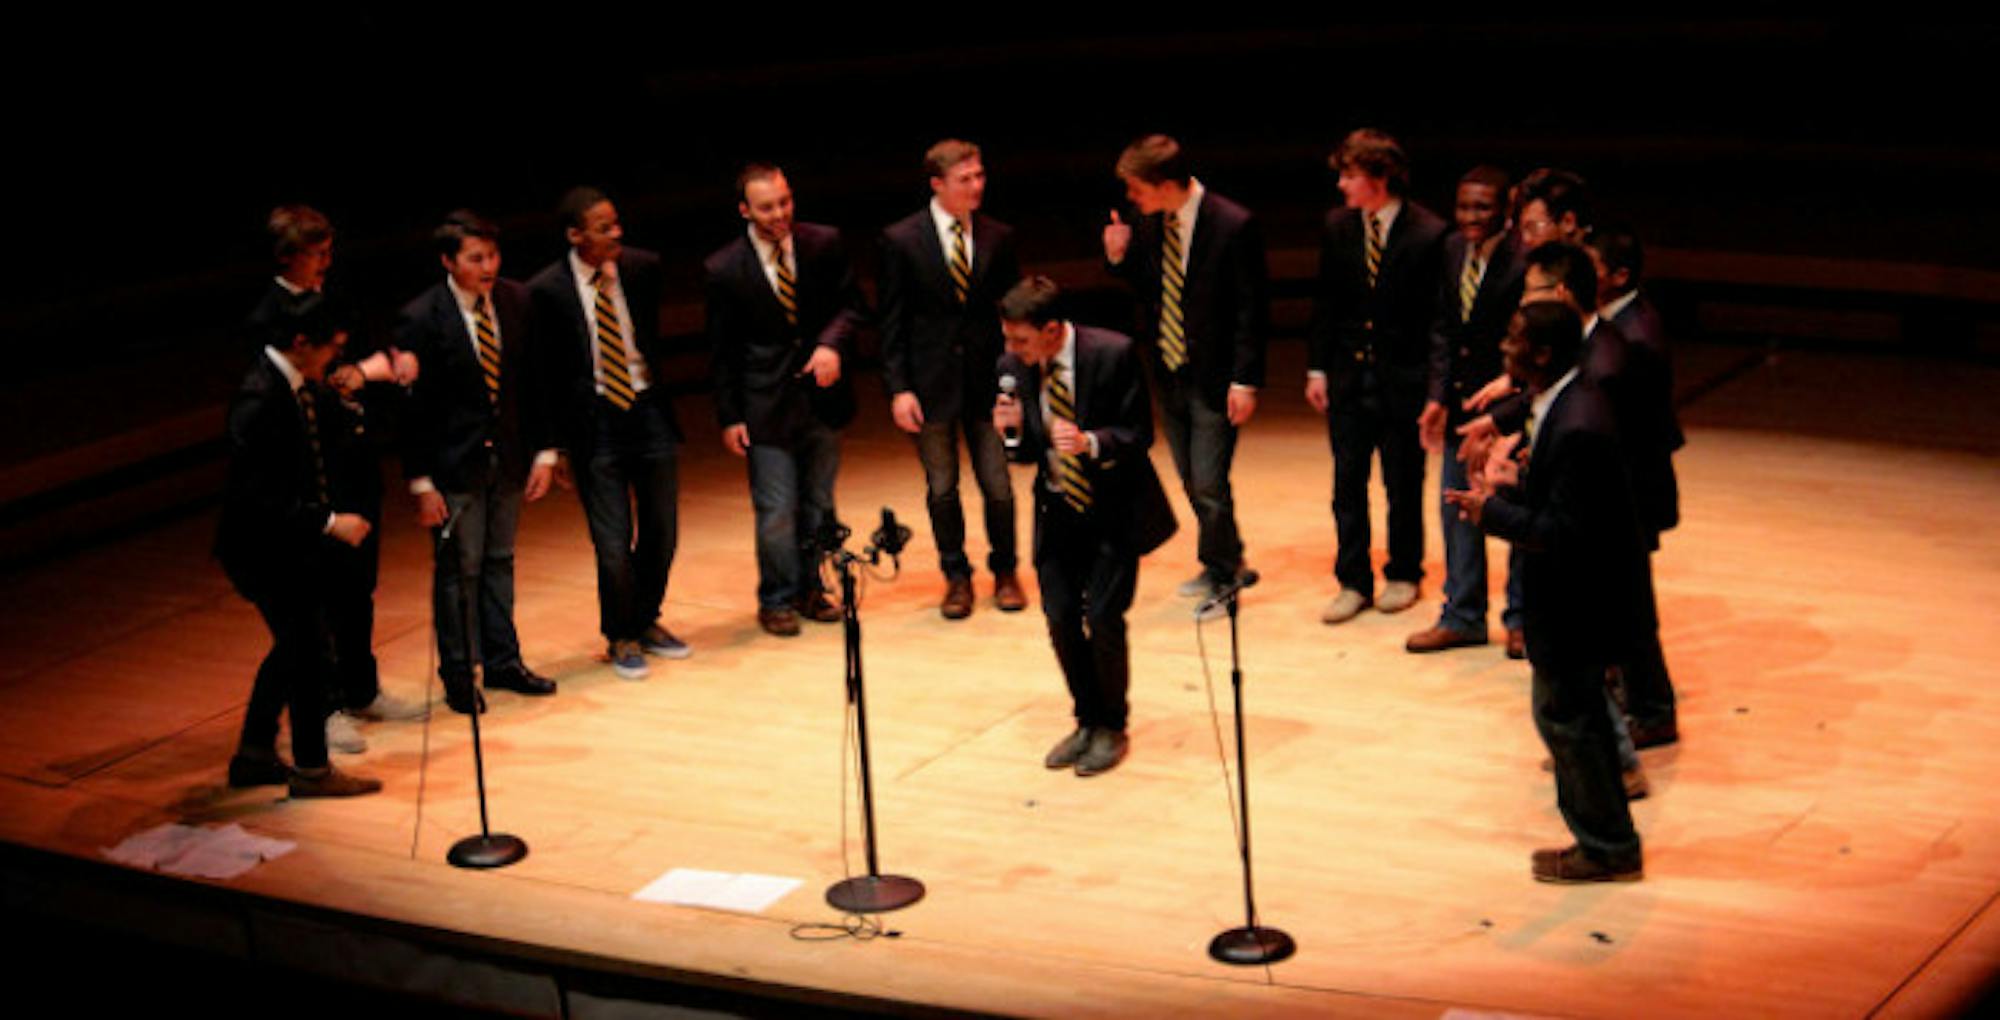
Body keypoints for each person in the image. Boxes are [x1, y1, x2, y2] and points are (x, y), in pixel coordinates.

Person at [1447, 301, 1648, 882]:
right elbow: (1561, 502)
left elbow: (1567, 532)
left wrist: (1494, 513)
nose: (1504, 346)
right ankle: (1607, 840)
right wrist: (1517, 484)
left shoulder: (1579, 421)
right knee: (1571, 719)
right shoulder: (1562, 400)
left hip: (1575, 602)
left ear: (1539, 352)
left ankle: (1606, 846)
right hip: (1571, 597)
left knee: (1568, 720)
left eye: (1513, 337)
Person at [248, 205, 423, 753]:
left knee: (357, 589)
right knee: (318, 599)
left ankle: (360, 688)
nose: (326, 261)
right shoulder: (269, 316)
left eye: (328, 252)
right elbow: (291, 390)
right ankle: (323, 707)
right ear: (287, 255)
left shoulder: (335, 295)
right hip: (313, 476)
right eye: (316, 253)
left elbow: (376, 350)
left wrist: (376, 368)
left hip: (353, 461)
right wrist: (346, 379)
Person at [992, 277, 1177, 778]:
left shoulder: (1112, 354)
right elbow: (1029, 452)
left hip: (1113, 509)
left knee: (1105, 618)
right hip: (1056, 510)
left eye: (1021, 341)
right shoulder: (1014, 367)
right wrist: (1010, 436)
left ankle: (1112, 726)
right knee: (1059, 618)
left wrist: (1091, 442)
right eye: (1008, 340)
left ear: (1052, 331)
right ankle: (1085, 719)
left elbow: (1139, 432)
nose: (1011, 351)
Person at [215, 296, 382, 798]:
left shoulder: (295, 385)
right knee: (309, 651)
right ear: (301, 343)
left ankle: (254, 753)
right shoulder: (259, 397)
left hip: (287, 545)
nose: (335, 357)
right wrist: (330, 522)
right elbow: (258, 495)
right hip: (260, 550)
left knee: (295, 647)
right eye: (330, 348)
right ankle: (311, 771)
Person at [397, 211, 558, 715]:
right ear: (449, 262)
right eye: (475, 258)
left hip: (507, 456)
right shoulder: (421, 317)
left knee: (500, 563)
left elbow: (535, 383)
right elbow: (411, 411)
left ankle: (504, 661)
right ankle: (459, 673)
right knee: (458, 573)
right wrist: (421, 482)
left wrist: (545, 452)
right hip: (453, 467)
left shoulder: (516, 300)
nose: (488, 266)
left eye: (492, 256)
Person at [528, 187, 689, 680]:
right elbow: (545, 376)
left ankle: (646, 618)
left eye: (616, 223)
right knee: (613, 541)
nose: (616, 234)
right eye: (603, 228)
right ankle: (620, 632)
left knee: (662, 528)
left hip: (646, 410)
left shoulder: (642, 269)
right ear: (575, 235)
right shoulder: (548, 290)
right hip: (594, 423)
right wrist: (552, 447)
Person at [1102, 134, 1267, 605]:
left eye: (1137, 188)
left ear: (1163, 183)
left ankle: (1223, 576)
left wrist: (1245, 380)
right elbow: (1148, 287)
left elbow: (1250, 310)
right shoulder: (1148, 220)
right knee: (1193, 479)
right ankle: (1227, 558)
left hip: (1214, 374)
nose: (1132, 199)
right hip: (1169, 369)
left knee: (1210, 482)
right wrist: (1118, 256)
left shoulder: (1233, 224)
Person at [705, 164, 866, 637]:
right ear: (744, 211)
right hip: (764, 403)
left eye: (784, 202)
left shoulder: (823, 243)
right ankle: (775, 596)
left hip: (820, 396)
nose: (779, 214)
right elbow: (722, 351)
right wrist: (729, 416)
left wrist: (832, 344)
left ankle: (812, 588)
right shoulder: (724, 268)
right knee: (775, 510)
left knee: (819, 501)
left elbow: (853, 305)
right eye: (767, 207)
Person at [878, 140, 1026, 619]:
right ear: (938, 184)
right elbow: (892, 323)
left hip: (986, 382)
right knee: (941, 485)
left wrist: (1016, 383)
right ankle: (956, 576)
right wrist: (899, 388)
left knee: (998, 485)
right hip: (930, 383)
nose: (977, 186)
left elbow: (1014, 315)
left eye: (980, 176)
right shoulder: (901, 240)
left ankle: (1005, 570)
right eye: (966, 179)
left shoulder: (998, 236)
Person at [1305, 129, 1446, 624]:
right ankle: (1352, 580)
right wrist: (1318, 367)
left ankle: (1404, 572)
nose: (1342, 185)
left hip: (1401, 380)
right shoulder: (1338, 227)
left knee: (1402, 483)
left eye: (1350, 175)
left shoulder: (1429, 233)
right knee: (1347, 484)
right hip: (1348, 378)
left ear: (1380, 178)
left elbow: (1436, 320)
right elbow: (1327, 303)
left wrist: (1434, 389)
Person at [1406, 166, 1525, 654]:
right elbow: (1442, 329)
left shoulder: (1523, 261)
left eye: (1483, 207)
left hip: (1508, 409)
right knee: (1456, 508)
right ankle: (1462, 614)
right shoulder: (1453, 249)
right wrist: (1437, 397)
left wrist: (1511, 413)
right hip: (1460, 405)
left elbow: (1529, 344)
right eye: (1463, 206)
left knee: (1518, 514)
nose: (1471, 217)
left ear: (1507, 208)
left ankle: (1521, 619)